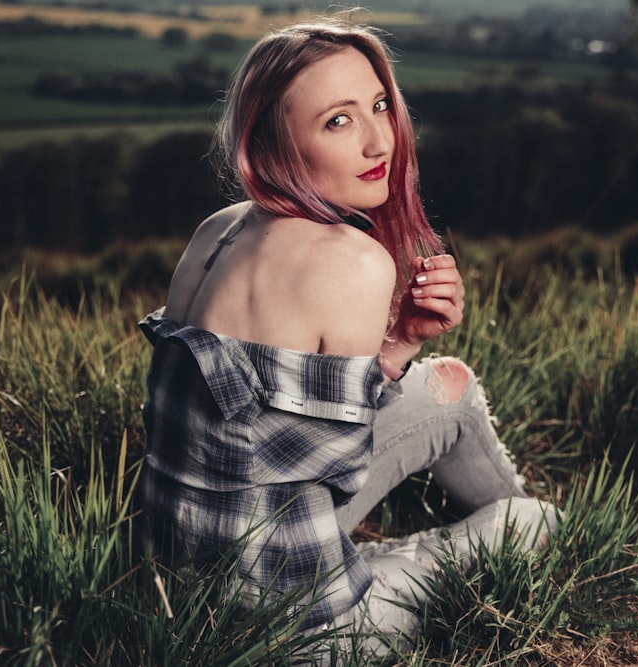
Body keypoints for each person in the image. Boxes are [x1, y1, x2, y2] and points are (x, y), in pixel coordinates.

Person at [134, 17, 559, 655]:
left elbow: (273, 442)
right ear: (276, 148)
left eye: (380, 105)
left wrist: (402, 345)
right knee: (536, 522)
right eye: (338, 120)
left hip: (170, 577)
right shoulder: (354, 261)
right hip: (292, 635)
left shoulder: (216, 231)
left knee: (454, 385)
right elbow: (340, 471)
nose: (377, 140)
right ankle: (546, 553)